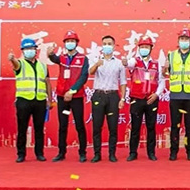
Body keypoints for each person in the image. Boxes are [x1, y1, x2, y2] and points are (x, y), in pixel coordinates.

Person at [163, 28, 190, 161]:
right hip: (175, 95)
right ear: (178, 41)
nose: (184, 41)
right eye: (182, 39)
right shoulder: (171, 55)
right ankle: (173, 152)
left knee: (189, 126)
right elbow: (165, 74)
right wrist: (165, 68)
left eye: (186, 39)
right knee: (175, 125)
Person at [8, 38, 52, 163]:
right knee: (22, 128)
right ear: (23, 51)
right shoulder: (20, 64)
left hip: (40, 100)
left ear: (36, 50)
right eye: (26, 49)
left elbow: (47, 83)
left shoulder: (43, 66)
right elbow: (15, 64)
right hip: (24, 100)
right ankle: (21, 154)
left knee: (39, 129)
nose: (29, 51)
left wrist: (49, 99)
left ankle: (39, 153)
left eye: (31, 48)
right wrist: (12, 59)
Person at [48, 31, 90, 162]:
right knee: (63, 125)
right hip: (62, 98)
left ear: (77, 43)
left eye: (72, 41)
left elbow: (83, 77)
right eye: (67, 41)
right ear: (64, 44)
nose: (70, 43)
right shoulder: (62, 58)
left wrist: (71, 91)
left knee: (79, 125)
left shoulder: (83, 59)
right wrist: (50, 53)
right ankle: (61, 152)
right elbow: (53, 58)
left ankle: (82, 153)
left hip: (76, 97)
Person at [124, 37, 163, 161]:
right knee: (135, 127)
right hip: (136, 99)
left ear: (151, 48)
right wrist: (125, 62)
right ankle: (133, 152)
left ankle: (151, 152)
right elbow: (128, 64)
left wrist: (156, 94)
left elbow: (161, 81)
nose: (144, 49)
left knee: (151, 127)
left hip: (151, 99)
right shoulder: (134, 61)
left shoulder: (156, 64)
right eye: (142, 47)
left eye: (146, 47)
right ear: (138, 48)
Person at [89, 35, 127, 163]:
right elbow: (90, 72)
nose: (107, 46)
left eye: (109, 44)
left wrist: (123, 99)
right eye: (104, 43)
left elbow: (123, 82)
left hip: (113, 96)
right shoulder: (96, 60)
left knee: (113, 127)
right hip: (99, 95)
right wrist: (97, 64)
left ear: (114, 46)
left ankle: (112, 154)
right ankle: (97, 154)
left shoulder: (119, 63)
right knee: (97, 126)